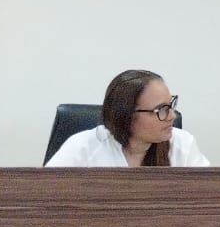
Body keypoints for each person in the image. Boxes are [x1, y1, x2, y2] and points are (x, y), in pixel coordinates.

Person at [47, 69, 209, 167]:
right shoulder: (83, 147)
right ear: (127, 116)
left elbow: (209, 199)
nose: (172, 116)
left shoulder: (183, 144)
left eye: (171, 105)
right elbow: (45, 197)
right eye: (161, 109)